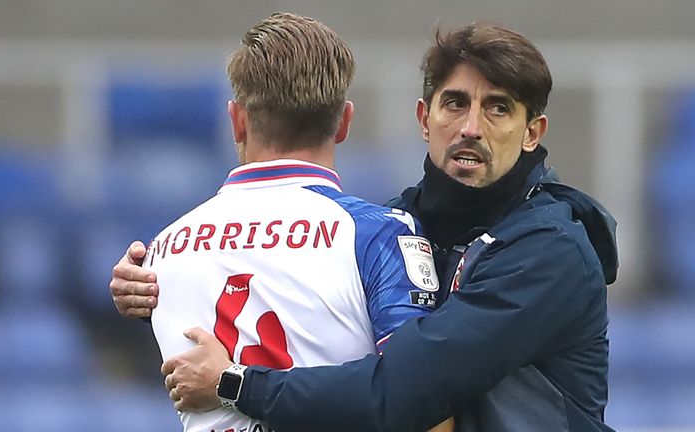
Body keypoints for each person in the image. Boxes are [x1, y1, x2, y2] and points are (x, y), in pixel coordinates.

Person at [111, 22, 618, 431]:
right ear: (424, 118)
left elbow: (411, 391)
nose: (470, 127)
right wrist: (153, 287)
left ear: (532, 133)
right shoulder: (390, 227)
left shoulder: (550, 250)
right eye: (455, 103)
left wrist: (235, 384)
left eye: (498, 109)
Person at [131, 12, 451, 432]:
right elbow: (423, 405)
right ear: (344, 122)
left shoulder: (159, 254)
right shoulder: (380, 235)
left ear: (237, 120)